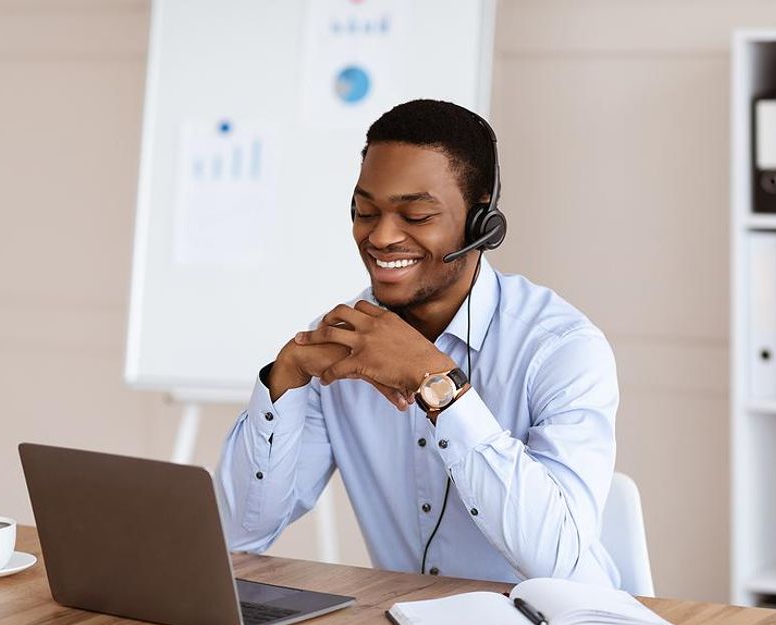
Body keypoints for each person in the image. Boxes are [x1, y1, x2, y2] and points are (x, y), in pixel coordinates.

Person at [216, 99, 620, 587]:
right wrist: (284, 383)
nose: (382, 236)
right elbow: (238, 537)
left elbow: (555, 559)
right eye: (365, 211)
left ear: (481, 222)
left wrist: (438, 383)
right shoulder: (339, 349)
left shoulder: (560, 349)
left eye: (416, 214)